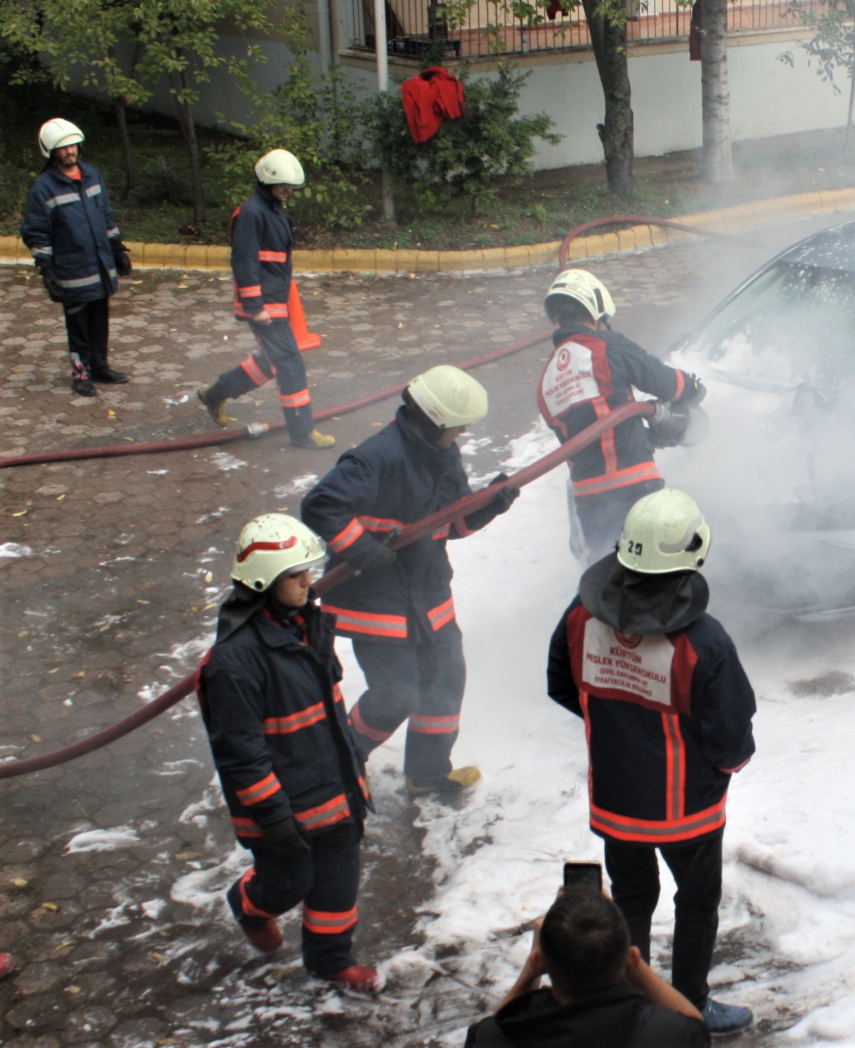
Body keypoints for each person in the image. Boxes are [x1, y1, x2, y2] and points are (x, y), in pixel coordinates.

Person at [546, 489, 756, 1036]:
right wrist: (719, 768)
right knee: (697, 902)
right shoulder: (702, 642)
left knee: (632, 899)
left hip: (616, 802)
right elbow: (731, 736)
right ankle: (689, 1006)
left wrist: (616, 725)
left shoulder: (580, 617)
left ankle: (621, 1007)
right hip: (689, 812)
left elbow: (562, 686)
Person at [301, 365, 518, 798]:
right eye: (460, 425)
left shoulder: (443, 456)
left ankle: (428, 771)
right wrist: (362, 549)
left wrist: (488, 505)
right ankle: (338, 765)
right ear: (436, 421)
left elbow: (450, 524)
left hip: (428, 593)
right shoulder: (376, 457)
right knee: (397, 693)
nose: (463, 432)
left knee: (445, 678)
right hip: (375, 599)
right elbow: (320, 506)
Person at [196, 513, 380, 993]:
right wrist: (274, 819)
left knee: (338, 883)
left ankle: (329, 959)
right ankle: (247, 902)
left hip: (334, 789)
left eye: (308, 570)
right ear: (264, 583)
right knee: (290, 883)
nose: (309, 581)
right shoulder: (233, 664)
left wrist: (353, 770)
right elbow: (241, 756)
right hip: (282, 808)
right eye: (296, 575)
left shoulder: (306, 625)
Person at [536, 269, 706, 563]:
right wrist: (692, 387)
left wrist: (647, 435)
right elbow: (664, 382)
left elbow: (589, 431)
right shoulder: (605, 346)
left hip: (589, 502)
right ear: (595, 313)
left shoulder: (547, 380)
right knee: (656, 574)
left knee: (609, 577)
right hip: (634, 488)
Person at [197, 149, 335, 449]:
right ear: (268, 180)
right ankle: (302, 432)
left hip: (275, 302)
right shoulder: (252, 212)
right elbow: (244, 261)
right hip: (263, 306)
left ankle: (216, 393)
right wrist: (254, 306)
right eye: (284, 184)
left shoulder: (271, 209)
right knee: (290, 364)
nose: (289, 189)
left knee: (275, 361)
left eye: (291, 184)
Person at [465, 886, 709, 1047]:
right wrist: (633, 963)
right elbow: (695, 1026)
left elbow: (485, 1032)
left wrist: (530, 972)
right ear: (630, 959)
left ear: (540, 961)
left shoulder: (498, 1039)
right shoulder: (663, 1035)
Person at [21, 118, 132, 397]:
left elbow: (105, 215)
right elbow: (37, 233)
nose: (70, 151)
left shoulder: (92, 175)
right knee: (78, 326)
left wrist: (117, 248)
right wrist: (46, 269)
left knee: (99, 321)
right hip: (73, 271)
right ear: (50, 152)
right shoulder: (43, 189)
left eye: (72, 145)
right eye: (62, 147)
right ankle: (80, 375)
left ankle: (100, 367)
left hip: (100, 266)